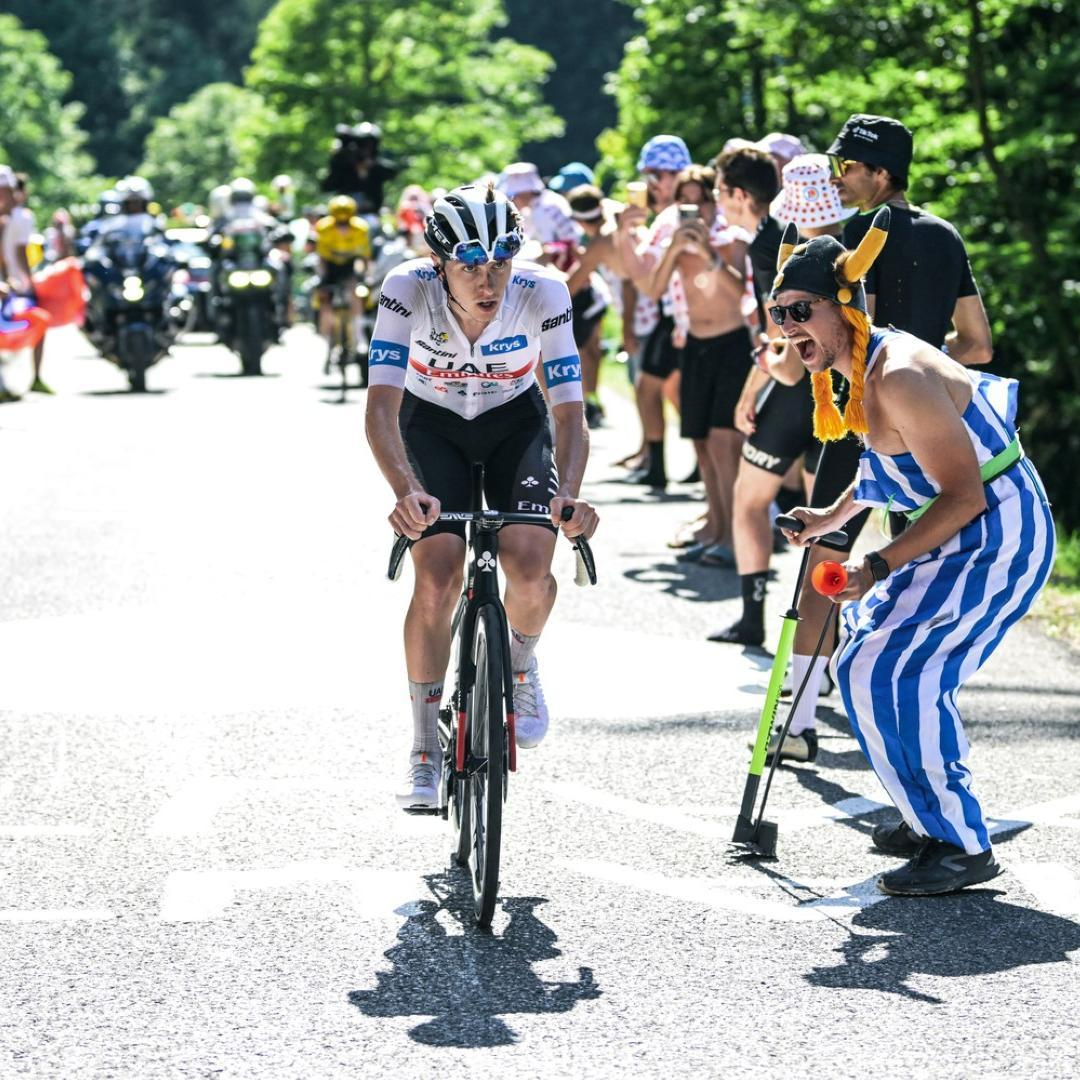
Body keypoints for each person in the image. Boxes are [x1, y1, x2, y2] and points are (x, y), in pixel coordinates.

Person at [775, 209, 1054, 895]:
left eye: (800, 311)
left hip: (998, 533)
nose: (788, 329)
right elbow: (889, 466)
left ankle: (960, 843)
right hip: (964, 529)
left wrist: (875, 567)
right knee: (861, 659)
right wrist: (830, 518)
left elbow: (963, 496)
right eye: (777, 315)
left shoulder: (896, 372)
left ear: (844, 305)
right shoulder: (858, 363)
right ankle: (925, 815)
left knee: (895, 670)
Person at [364, 183, 599, 811]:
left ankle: (520, 666)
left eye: (500, 262)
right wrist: (405, 490)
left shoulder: (543, 291)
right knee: (437, 577)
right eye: (470, 264)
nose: (487, 279)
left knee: (529, 564)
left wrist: (570, 494)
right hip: (430, 422)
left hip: (513, 423)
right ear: (439, 261)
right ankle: (422, 746)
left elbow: (570, 411)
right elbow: (381, 409)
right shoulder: (404, 288)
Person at [636, 164, 751, 561]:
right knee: (702, 444)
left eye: (699, 202)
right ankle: (717, 529)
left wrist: (706, 253)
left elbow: (741, 292)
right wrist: (674, 248)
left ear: (712, 203)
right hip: (695, 347)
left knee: (724, 443)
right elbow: (651, 289)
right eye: (684, 204)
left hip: (732, 345)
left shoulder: (732, 240)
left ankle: (737, 538)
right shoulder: (676, 247)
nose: (692, 213)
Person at [828, 114, 992, 366]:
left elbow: (860, 337)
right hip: (936, 399)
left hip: (876, 398)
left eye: (844, 166)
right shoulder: (946, 233)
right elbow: (978, 347)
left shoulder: (863, 231)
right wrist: (924, 356)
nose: (833, 177)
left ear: (881, 172)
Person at [613, 134, 693, 489]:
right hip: (674, 312)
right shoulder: (664, 217)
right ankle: (660, 465)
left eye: (655, 175)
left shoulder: (682, 214)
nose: (651, 185)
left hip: (689, 315)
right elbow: (642, 277)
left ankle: (664, 466)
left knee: (660, 388)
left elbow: (644, 279)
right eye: (646, 176)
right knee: (654, 387)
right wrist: (626, 233)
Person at [0, 166, 52, 394]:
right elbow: (18, 253)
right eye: (6, 192)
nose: (11, 197)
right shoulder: (20, 217)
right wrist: (27, 281)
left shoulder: (10, 218)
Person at [313, 195, 372, 357]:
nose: (342, 225)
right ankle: (326, 338)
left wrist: (365, 276)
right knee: (324, 298)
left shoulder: (361, 227)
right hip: (330, 266)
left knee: (356, 293)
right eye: (339, 222)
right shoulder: (323, 227)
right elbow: (321, 256)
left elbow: (364, 255)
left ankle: (359, 336)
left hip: (350, 265)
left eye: (345, 221)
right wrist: (322, 277)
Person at [322, 122, 400, 215]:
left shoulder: (378, 164)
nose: (365, 149)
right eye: (362, 144)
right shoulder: (344, 164)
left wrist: (371, 166)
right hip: (344, 214)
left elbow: (392, 171)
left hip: (371, 212)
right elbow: (327, 186)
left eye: (369, 145)